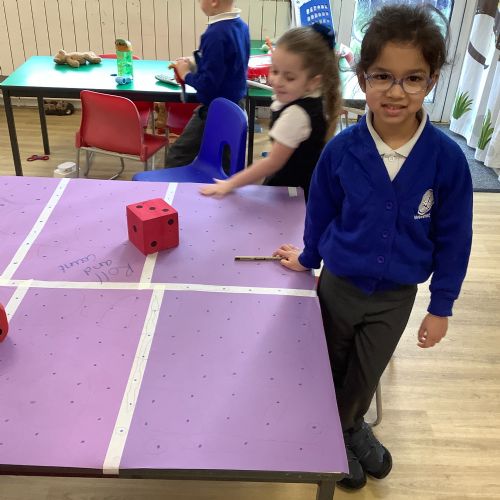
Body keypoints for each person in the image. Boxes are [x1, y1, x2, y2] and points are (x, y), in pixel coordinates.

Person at [273, 4, 473, 490]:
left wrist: (441, 306)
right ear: (363, 78)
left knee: (366, 371)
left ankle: (348, 427)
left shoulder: (447, 160)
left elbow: (455, 237)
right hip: (339, 286)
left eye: (412, 78)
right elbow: (320, 212)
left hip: (396, 296)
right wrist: (309, 257)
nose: (396, 91)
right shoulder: (341, 151)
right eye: (382, 76)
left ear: (431, 81)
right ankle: (336, 432)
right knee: (331, 364)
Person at [200, 23, 341, 200]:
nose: (277, 81)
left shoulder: (297, 115)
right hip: (299, 186)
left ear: (313, 82)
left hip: (294, 195)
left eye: (289, 77)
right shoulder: (312, 95)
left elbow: (272, 163)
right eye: (274, 70)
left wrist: (230, 184)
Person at [165, 0, 250, 167]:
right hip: (235, 105)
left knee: (177, 156)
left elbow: (208, 84)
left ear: (213, 2)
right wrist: (193, 63)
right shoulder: (241, 26)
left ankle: (171, 185)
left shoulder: (215, 34)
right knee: (225, 160)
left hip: (215, 109)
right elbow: (227, 65)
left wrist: (185, 74)